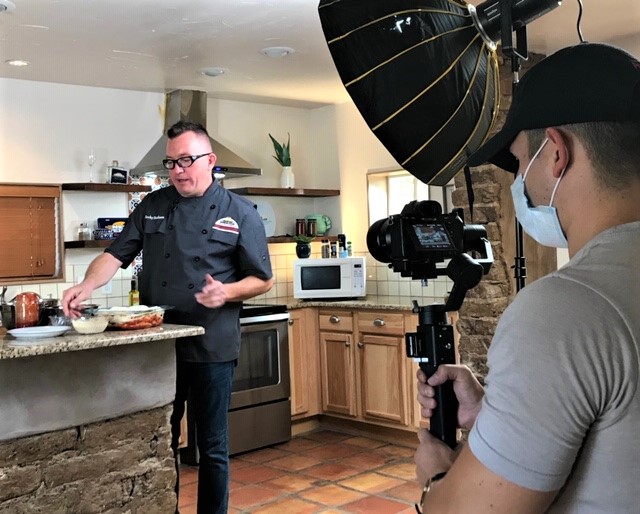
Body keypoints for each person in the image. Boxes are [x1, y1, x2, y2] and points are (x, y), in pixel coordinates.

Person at [413, 42, 640, 513]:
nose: (521, 182)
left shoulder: (567, 308)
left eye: (519, 163)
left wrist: (437, 475)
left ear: (556, 153)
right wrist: (497, 415)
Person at [62, 120, 273, 514]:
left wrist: (225, 291)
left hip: (212, 344)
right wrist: (86, 286)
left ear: (210, 161)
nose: (177, 170)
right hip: (160, 344)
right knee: (161, 438)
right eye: (171, 162)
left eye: (186, 160)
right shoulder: (153, 205)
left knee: (212, 446)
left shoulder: (240, 213)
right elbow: (114, 255)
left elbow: (263, 280)